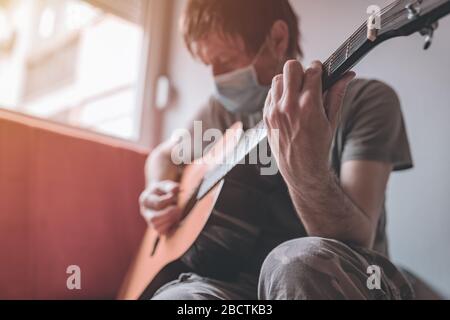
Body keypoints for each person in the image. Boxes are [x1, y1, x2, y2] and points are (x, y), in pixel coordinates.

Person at [139, 0, 414, 300]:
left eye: (226, 60)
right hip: (236, 287)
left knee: (295, 264)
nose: (216, 77)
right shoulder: (219, 112)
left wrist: (305, 170)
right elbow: (162, 156)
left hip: (330, 278)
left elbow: (357, 240)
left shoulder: (367, 101)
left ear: (278, 38)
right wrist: (157, 187)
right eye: (209, 65)